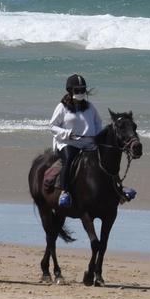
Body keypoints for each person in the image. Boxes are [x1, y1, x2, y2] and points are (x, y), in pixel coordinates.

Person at [48, 74, 103, 208]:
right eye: (77, 90)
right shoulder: (62, 107)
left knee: (105, 161)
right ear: (70, 90)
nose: (80, 93)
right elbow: (52, 126)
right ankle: (64, 192)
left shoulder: (90, 107)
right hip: (69, 143)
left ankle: (118, 188)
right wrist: (66, 134)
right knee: (69, 160)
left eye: (82, 90)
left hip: (89, 144)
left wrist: (97, 137)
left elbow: (98, 123)